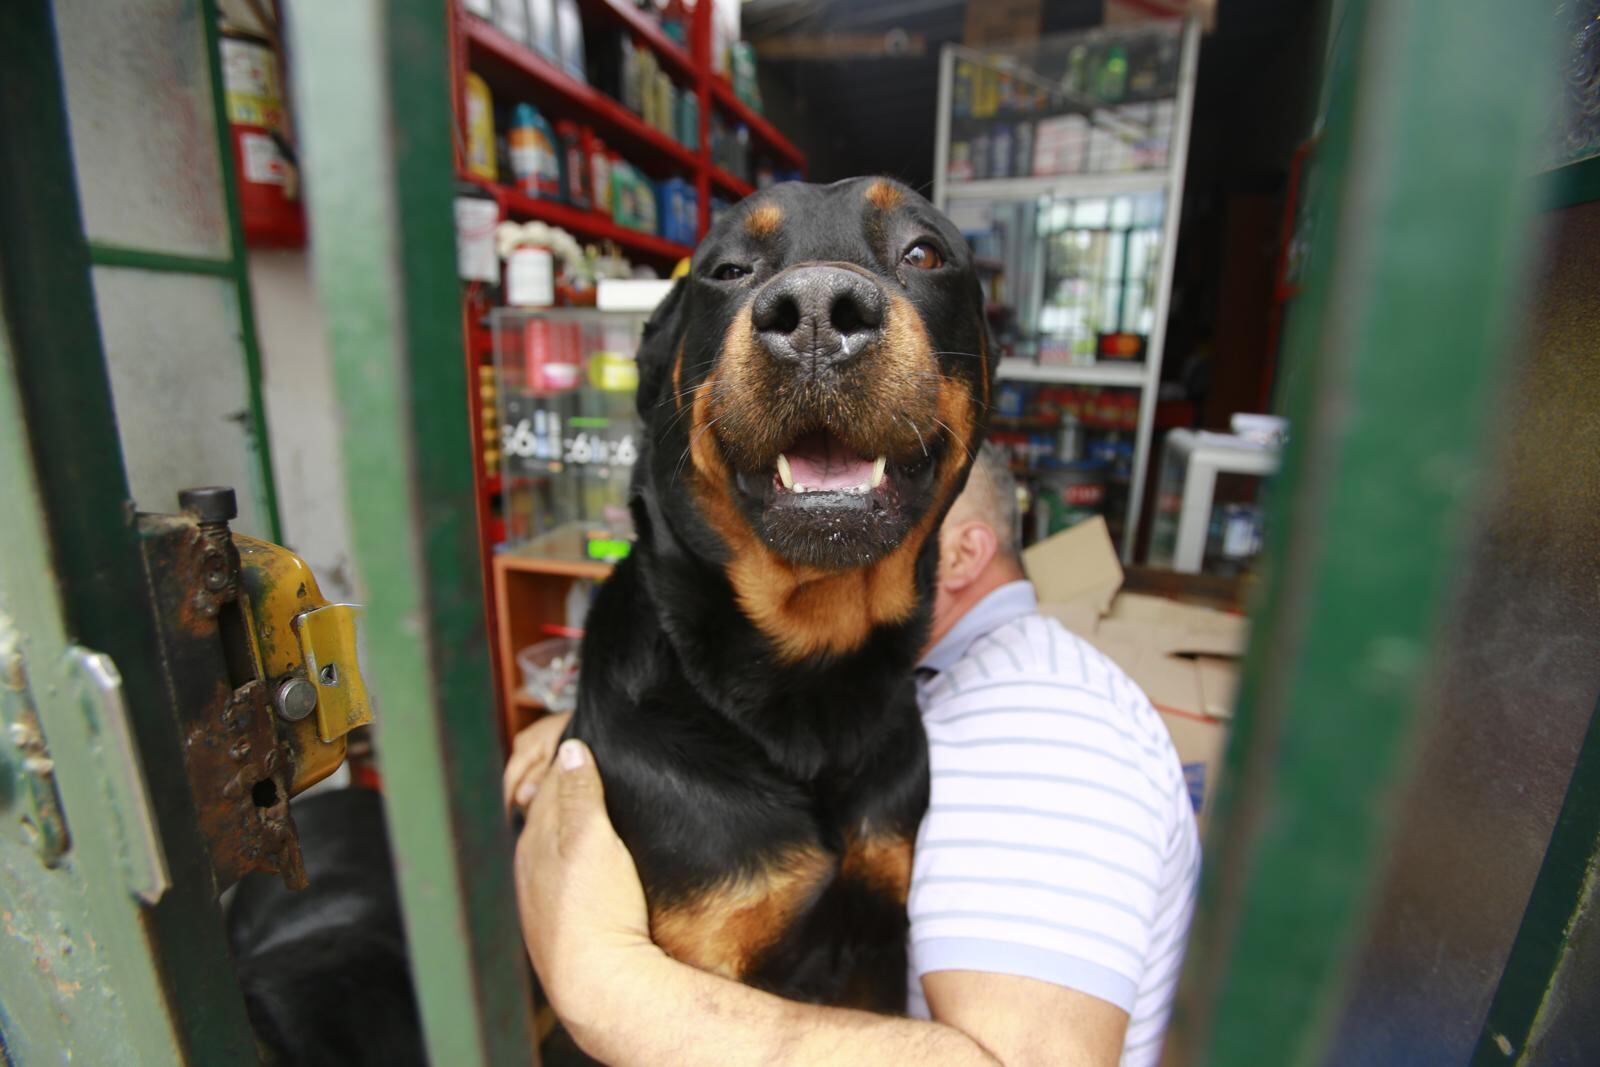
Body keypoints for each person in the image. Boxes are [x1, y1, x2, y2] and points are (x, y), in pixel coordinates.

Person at [505, 444, 1201, 1066]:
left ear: (959, 554)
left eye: (866, 528)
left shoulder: (1040, 726)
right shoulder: (919, 685)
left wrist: (606, 984)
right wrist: (604, 726)